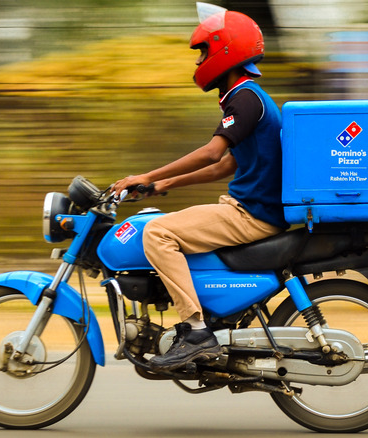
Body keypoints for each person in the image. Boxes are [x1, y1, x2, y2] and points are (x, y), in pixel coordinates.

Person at [111, 5, 288, 372]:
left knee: (157, 232)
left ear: (226, 51)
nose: (199, 63)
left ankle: (195, 332)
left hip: (251, 213)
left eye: (203, 52)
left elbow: (212, 152)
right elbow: (226, 165)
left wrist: (145, 175)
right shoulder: (246, 98)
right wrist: (162, 184)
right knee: (165, 225)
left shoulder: (246, 98)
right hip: (250, 208)